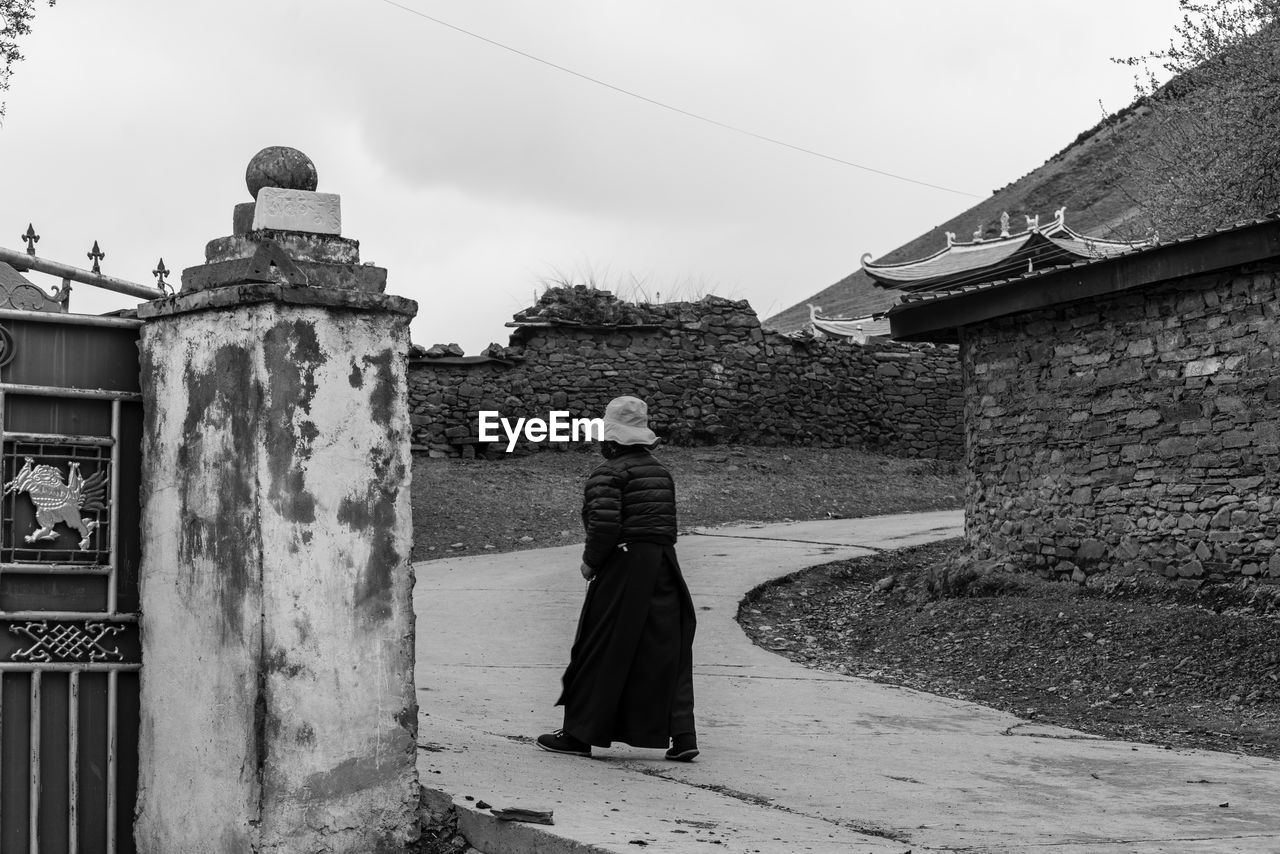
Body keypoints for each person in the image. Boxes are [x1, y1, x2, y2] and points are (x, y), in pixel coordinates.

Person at [537, 395, 698, 761]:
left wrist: (591, 563)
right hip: (664, 566)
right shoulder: (660, 471)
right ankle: (683, 736)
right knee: (666, 649)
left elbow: (604, 526)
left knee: (599, 646)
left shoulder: (608, 474)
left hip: (624, 565)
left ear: (610, 439)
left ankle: (579, 735)